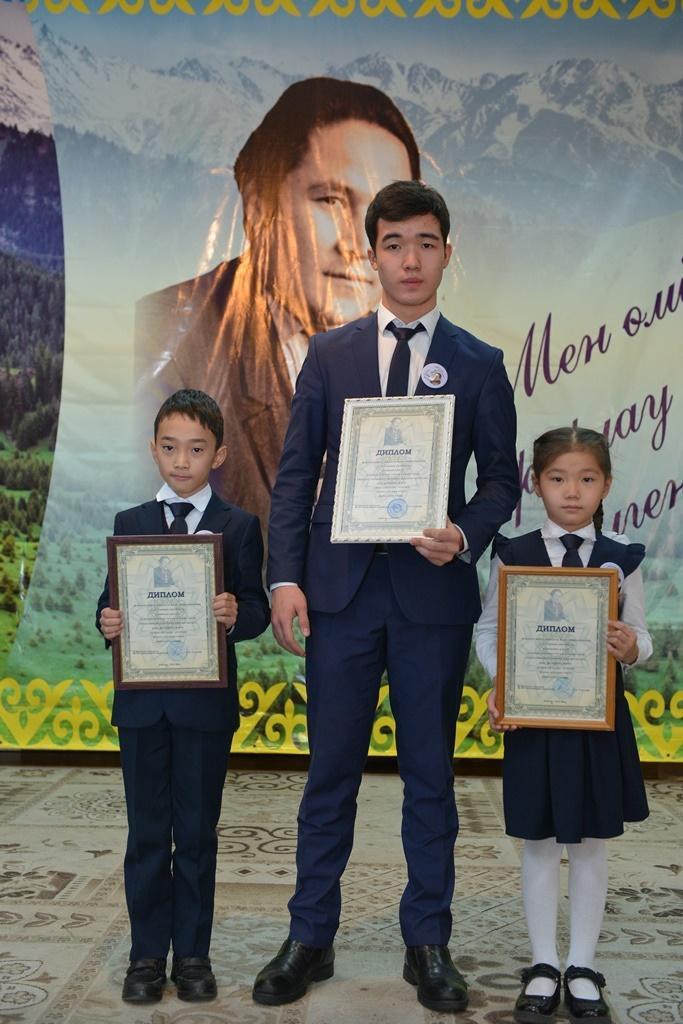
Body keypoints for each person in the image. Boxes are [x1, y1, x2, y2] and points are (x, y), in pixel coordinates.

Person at [252, 181, 520, 1012]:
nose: (410, 259)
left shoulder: (478, 363)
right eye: (394, 243)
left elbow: (500, 482)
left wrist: (464, 534)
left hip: (430, 597)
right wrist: (284, 578)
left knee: (429, 777)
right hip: (338, 595)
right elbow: (295, 473)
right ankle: (309, 936)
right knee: (328, 773)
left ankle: (426, 940)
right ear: (372, 254)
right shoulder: (331, 354)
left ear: (447, 253)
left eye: (425, 243)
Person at [135, 77, 420, 534]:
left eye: (384, 218)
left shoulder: (412, 355)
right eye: (331, 201)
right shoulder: (165, 339)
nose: (358, 244)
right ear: (258, 200)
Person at [96, 389, 270, 1005]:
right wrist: (107, 623)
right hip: (142, 706)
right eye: (170, 448)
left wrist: (234, 614)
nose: (181, 460)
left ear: (217, 455)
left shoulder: (238, 525)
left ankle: (193, 954)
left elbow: (257, 609)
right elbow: (108, 603)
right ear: (154, 450)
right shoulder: (130, 523)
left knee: (196, 834)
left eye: (196, 449)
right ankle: (146, 955)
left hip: (203, 709)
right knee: (147, 834)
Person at [475, 426, 651, 1023]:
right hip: (535, 722)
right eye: (557, 478)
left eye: (586, 479)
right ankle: (544, 963)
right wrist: (504, 682)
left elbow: (642, 636)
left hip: (597, 723)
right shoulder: (513, 553)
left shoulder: (622, 557)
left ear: (605, 485)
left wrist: (632, 647)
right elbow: (488, 630)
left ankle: (582, 966)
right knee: (540, 842)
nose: (571, 492)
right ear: (536, 484)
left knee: (591, 842)